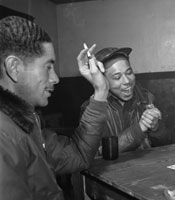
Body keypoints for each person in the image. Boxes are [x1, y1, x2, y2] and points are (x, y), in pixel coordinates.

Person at [0, 16, 109, 200]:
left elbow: (78, 154)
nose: (55, 78)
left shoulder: (26, 121)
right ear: (14, 68)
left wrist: (101, 90)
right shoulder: (4, 135)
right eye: (48, 67)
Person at [81, 47, 163, 154]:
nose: (127, 81)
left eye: (129, 73)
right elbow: (95, 154)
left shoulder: (146, 98)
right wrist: (139, 128)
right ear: (103, 80)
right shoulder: (93, 110)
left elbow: (166, 143)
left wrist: (155, 128)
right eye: (117, 77)